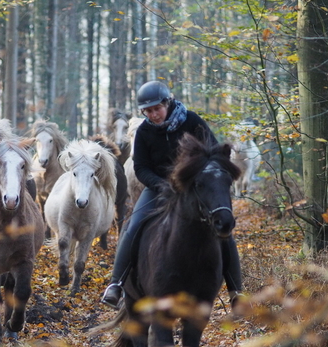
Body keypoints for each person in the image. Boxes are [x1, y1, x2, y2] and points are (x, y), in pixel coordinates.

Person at [101, 80, 244, 309]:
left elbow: (214, 152)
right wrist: (161, 185)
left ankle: (236, 289)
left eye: (157, 108)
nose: (154, 114)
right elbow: (141, 168)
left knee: (223, 227)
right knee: (134, 224)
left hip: (195, 189)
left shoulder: (192, 121)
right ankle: (116, 284)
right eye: (148, 111)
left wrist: (201, 178)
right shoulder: (145, 131)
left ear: (168, 102)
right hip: (159, 188)